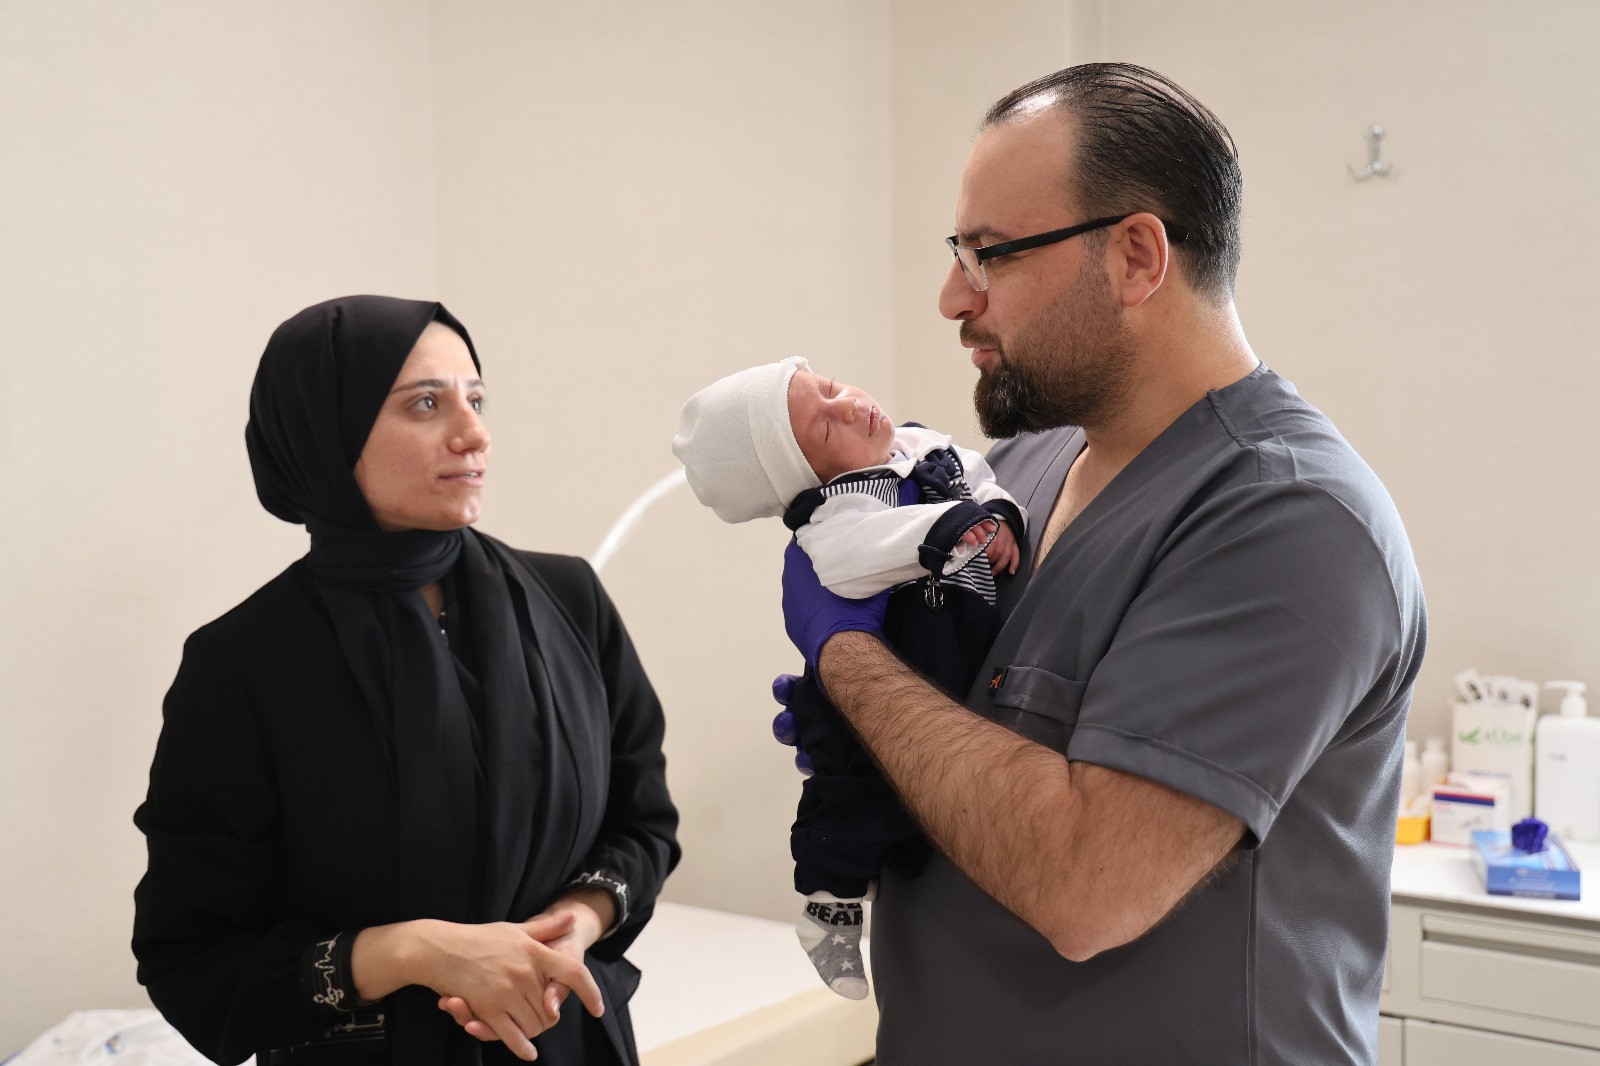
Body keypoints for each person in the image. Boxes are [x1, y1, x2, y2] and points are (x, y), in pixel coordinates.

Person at [775, 64, 1426, 1064]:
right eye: (957, 253)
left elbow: (1089, 888)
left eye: (989, 254)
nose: (954, 297)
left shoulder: (1290, 519)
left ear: (1134, 257)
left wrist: (851, 664)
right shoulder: (1021, 470)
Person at [132, 296, 680, 1066]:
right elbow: (193, 961)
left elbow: (643, 822)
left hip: (571, 1044)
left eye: (476, 399)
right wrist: (413, 952)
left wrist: (584, 916)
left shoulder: (570, 602)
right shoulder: (242, 663)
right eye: (426, 403)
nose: (474, 433)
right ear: (327, 431)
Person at [670, 357, 1024, 999]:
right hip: (875, 688)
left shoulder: (918, 445)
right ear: (808, 479)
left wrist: (997, 513)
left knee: (917, 815)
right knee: (851, 804)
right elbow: (861, 554)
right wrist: (951, 526)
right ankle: (828, 906)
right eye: (826, 427)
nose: (849, 405)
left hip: (947, 669)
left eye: (830, 388)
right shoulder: (836, 515)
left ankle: (895, 865)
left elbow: (976, 474)